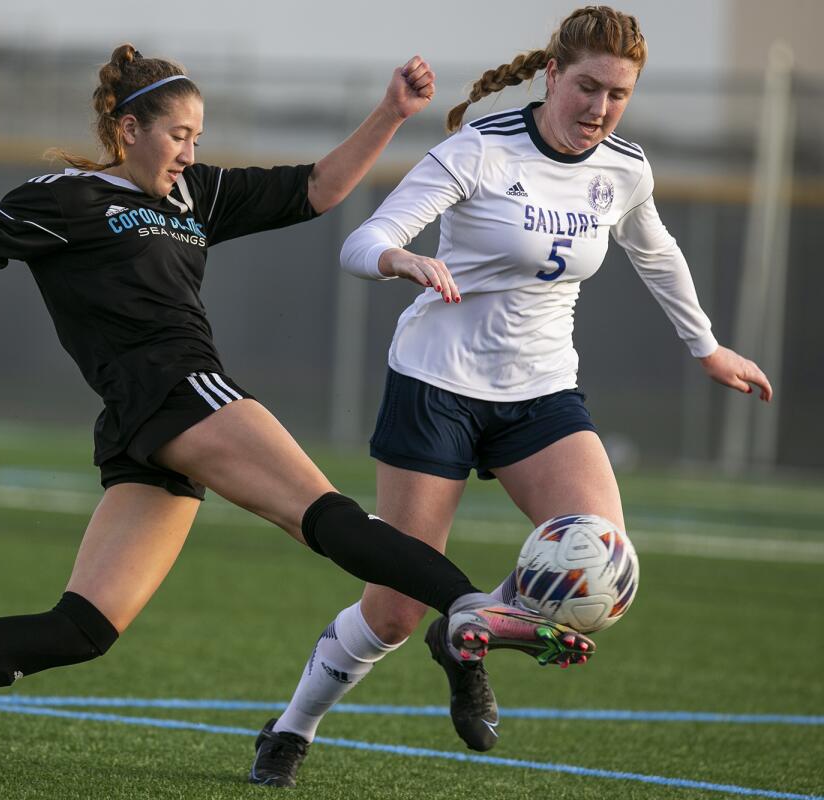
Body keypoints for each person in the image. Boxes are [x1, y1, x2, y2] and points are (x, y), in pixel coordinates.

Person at [0, 45, 595, 784]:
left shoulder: (193, 196)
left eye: (198, 136)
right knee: (327, 517)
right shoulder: (68, 197)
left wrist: (389, 113)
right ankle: (474, 606)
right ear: (129, 131)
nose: (192, 151)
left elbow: (315, 191)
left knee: (81, 629)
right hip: (175, 390)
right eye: (179, 134)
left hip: (151, 421)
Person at [249, 5, 773, 788]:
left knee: (603, 560)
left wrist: (706, 347)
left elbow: (656, 253)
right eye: (587, 87)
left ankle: (470, 629)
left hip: (541, 394)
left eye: (618, 95)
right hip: (437, 387)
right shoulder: (479, 150)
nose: (599, 109)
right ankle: (293, 728)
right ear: (552, 75)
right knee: (392, 611)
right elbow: (364, 239)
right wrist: (404, 261)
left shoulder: (624, 169)